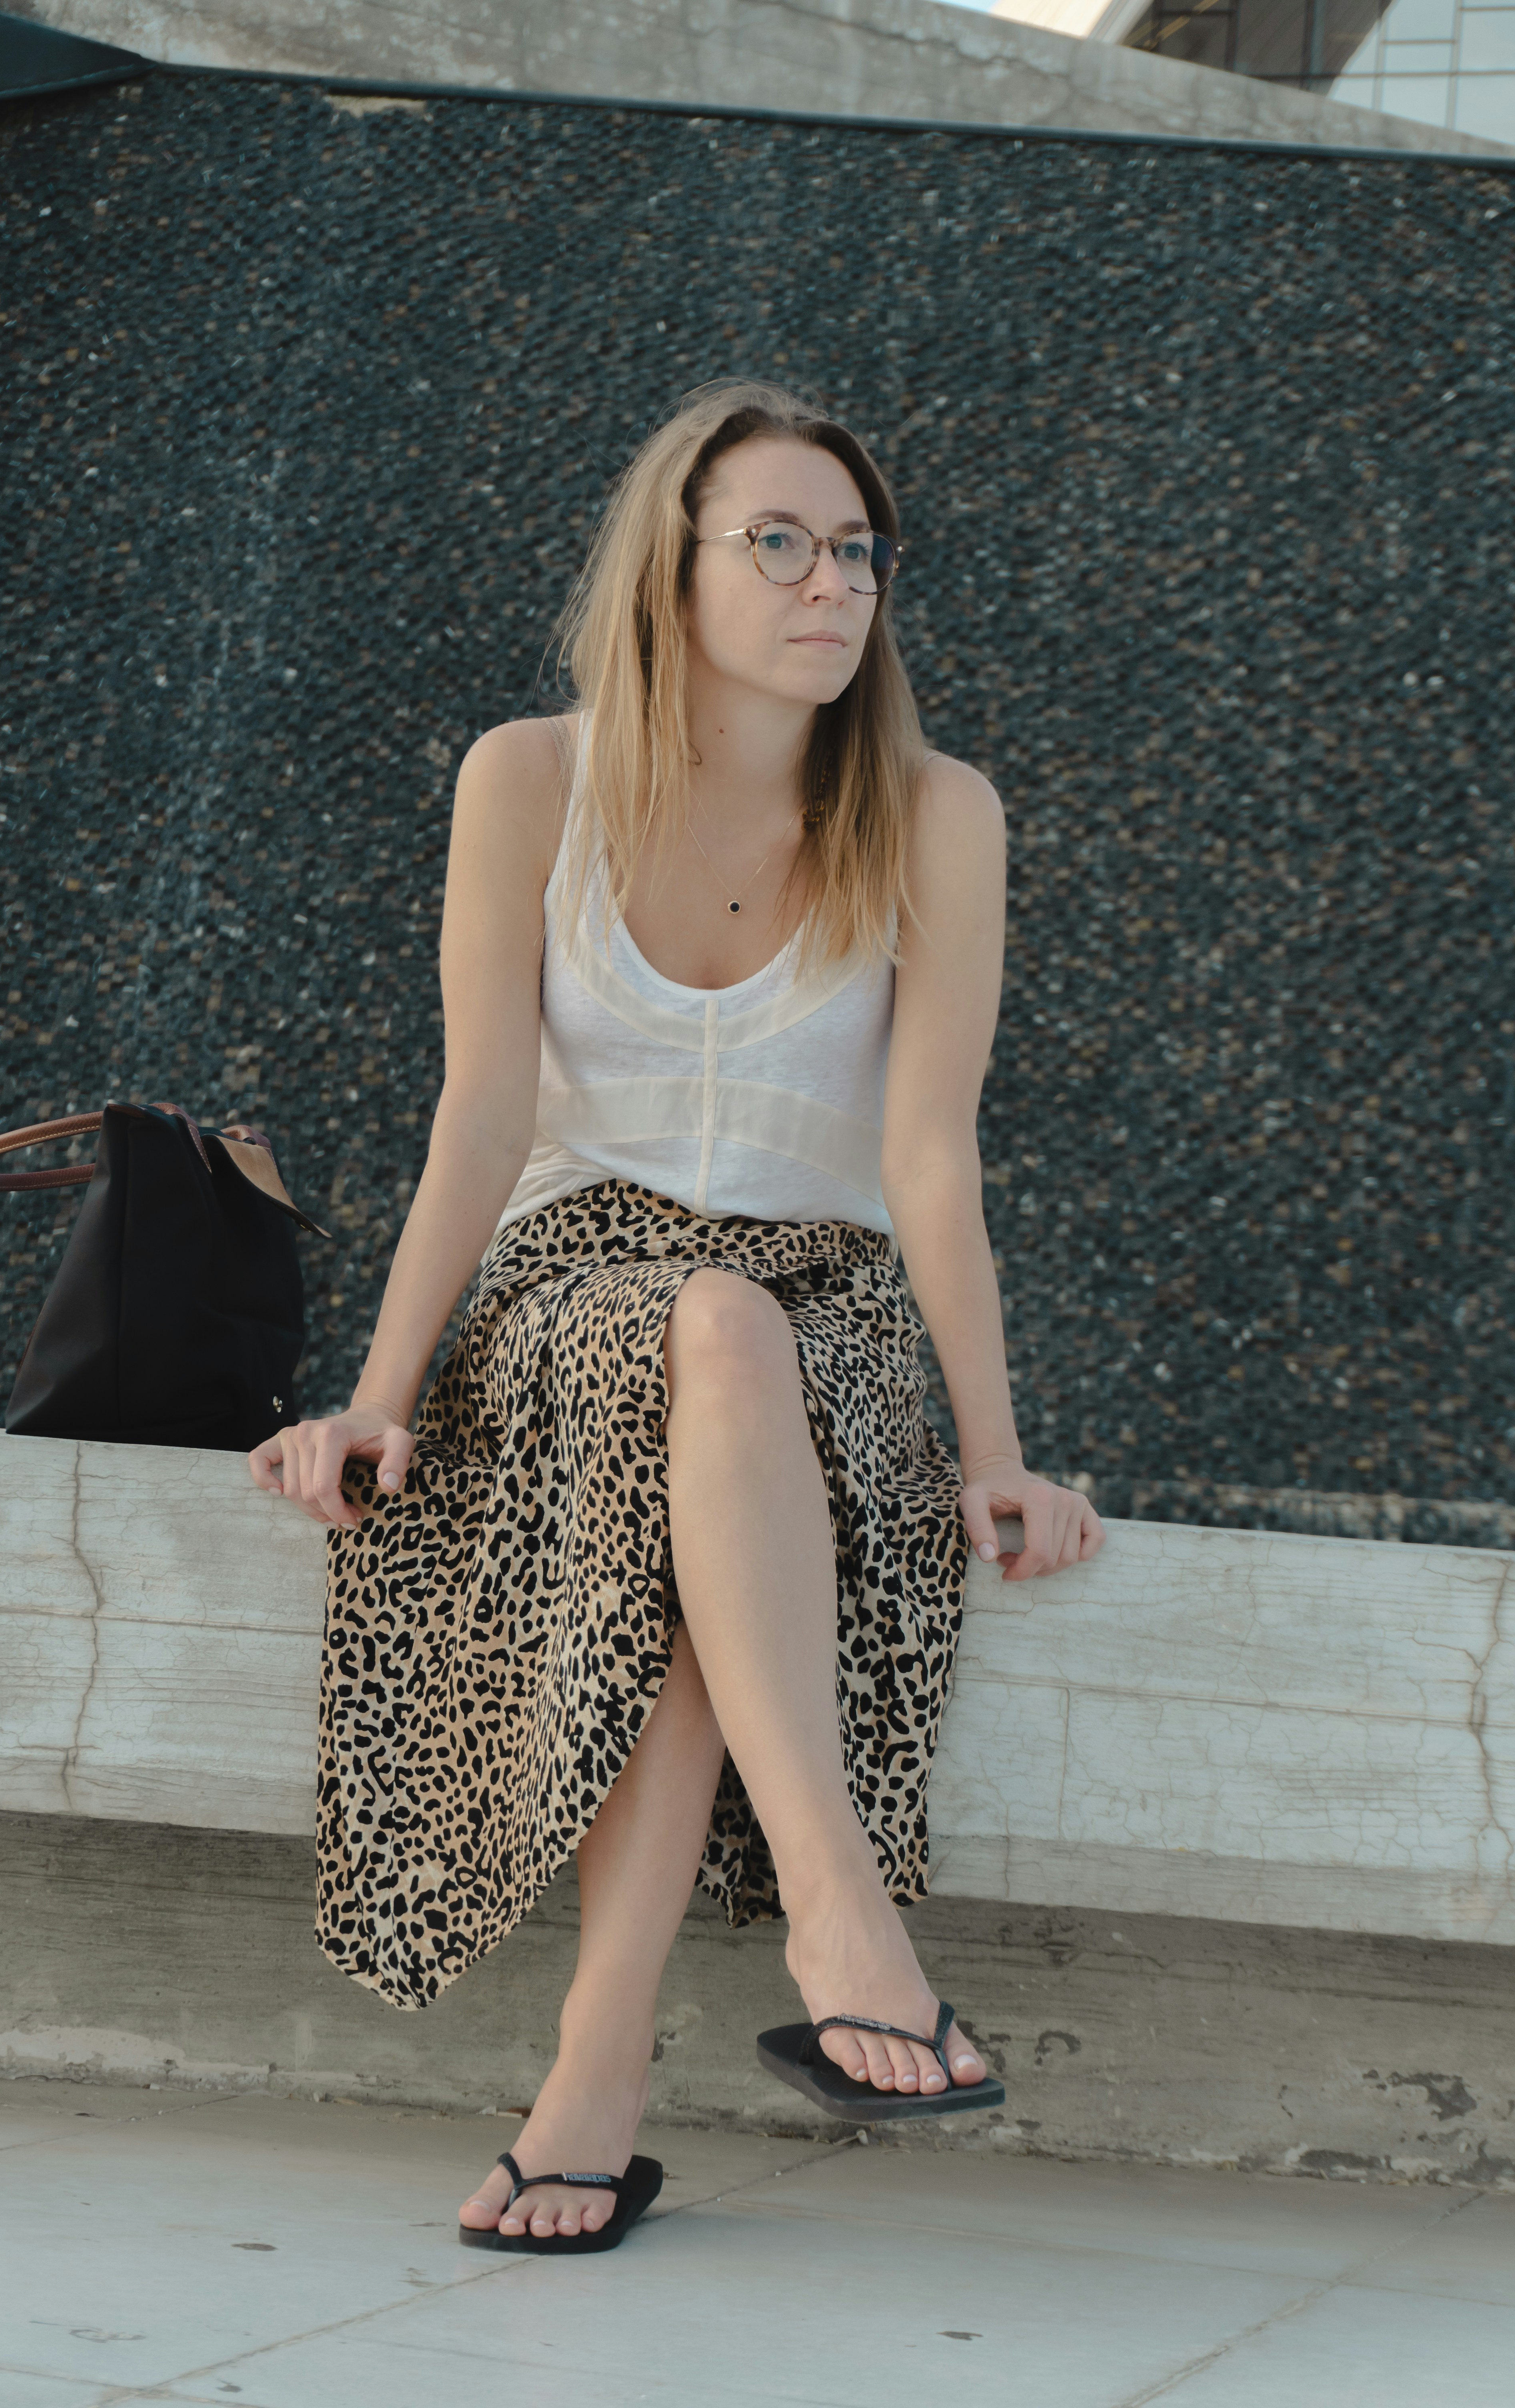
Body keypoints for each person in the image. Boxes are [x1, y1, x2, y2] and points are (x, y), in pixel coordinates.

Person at [249, 378, 1103, 2255]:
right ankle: (840, 1915)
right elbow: (479, 1113)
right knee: (695, 1342)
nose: (834, 584)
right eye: (780, 544)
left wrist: (999, 1452)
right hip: (568, 1298)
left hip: (829, 1317)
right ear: (674, 572)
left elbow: (932, 1162)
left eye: (859, 549)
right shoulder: (528, 781)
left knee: (727, 1367)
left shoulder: (936, 814)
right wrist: (380, 1392)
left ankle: (599, 2075)